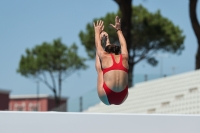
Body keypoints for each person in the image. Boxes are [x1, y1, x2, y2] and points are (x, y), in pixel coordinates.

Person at [94, 16, 129, 105]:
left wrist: (97, 32)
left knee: (100, 70)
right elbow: (123, 44)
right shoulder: (124, 57)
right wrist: (118, 30)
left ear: (107, 52)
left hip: (106, 94)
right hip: (123, 96)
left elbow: (98, 45)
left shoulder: (105, 56)